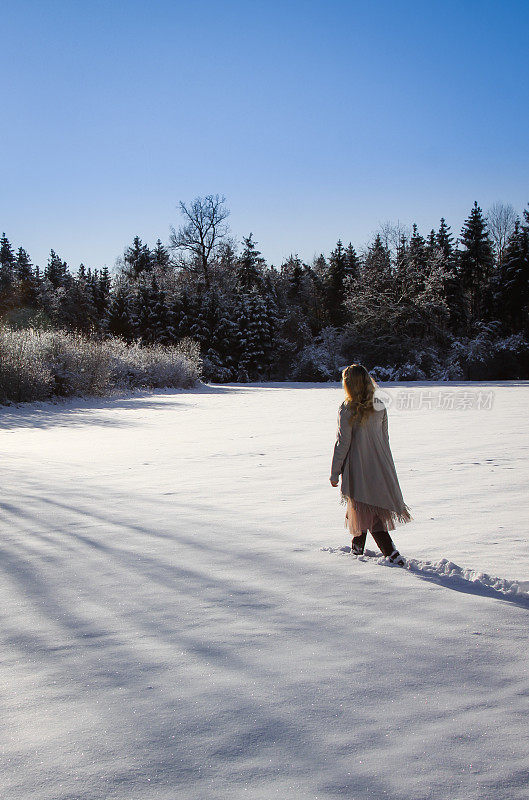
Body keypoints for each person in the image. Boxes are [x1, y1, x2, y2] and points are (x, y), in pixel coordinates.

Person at [329, 364, 413, 565]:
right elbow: (385, 439)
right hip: (380, 464)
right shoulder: (379, 405)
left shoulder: (348, 408)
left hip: (358, 466)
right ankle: (357, 549)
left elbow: (343, 443)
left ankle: (390, 553)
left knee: (367, 511)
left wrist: (335, 472)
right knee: (364, 510)